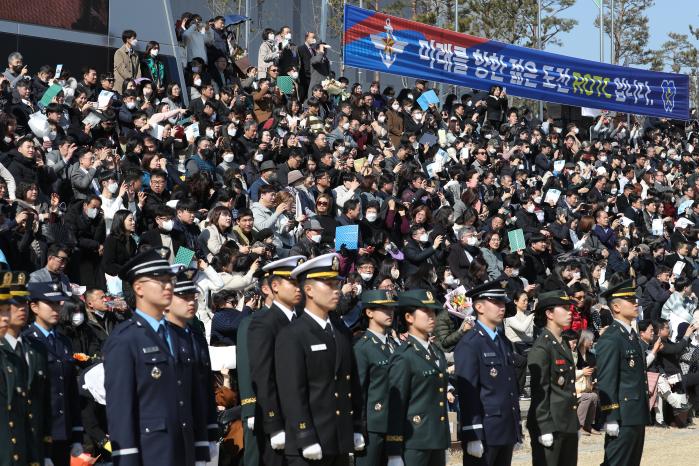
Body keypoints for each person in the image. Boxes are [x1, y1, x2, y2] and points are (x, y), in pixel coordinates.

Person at [103, 248, 210, 465]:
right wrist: (127, 459)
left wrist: (200, 446)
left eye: (169, 280)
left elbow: (192, 396)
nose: (168, 286)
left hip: (184, 449)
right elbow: (121, 408)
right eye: (160, 281)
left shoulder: (179, 335)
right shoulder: (125, 339)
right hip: (150, 452)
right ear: (139, 288)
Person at [275, 253, 364, 464]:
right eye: (329, 284)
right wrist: (305, 436)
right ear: (309, 290)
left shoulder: (340, 332)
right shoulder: (293, 334)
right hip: (308, 445)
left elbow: (351, 384)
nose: (336, 291)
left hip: (339, 440)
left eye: (337, 284)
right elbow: (292, 392)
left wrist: (357, 426)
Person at [247, 255, 307, 465]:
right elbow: (263, 375)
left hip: (304, 420)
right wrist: (274, 424)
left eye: (300, 281)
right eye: (292, 282)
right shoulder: (264, 322)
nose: (299, 287)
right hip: (279, 420)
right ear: (274, 286)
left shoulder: (302, 320)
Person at [455, 281, 522, 466]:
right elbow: (468, 392)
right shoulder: (471, 343)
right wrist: (472, 433)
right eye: (496, 303)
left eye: (503, 303)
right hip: (485, 430)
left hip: (504, 427)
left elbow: (509, 386)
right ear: (479, 307)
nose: (502, 307)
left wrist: (516, 427)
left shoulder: (503, 341)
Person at [385, 289, 450, 466]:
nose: (432, 317)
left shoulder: (436, 351)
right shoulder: (404, 356)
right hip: (414, 441)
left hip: (436, 438)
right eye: (426, 312)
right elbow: (396, 406)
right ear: (409, 317)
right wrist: (394, 450)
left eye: (433, 312)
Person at [23, 281, 84, 466]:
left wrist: (77, 434)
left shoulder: (63, 342)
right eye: (50, 304)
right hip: (39, 433)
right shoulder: (27, 341)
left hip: (62, 432)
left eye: (58, 303)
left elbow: (71, 390)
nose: (56, 308)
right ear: (34, 307)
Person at [165, 267, 219, 459]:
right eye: (184, 296)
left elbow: (205, 384)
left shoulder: (195, 334)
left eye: (193, 296)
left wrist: (211, 430)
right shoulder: (158, 335)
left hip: (196, 424)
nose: (192, 302)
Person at [596, 279, 650, 466]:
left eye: (635, 298)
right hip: (622, 416)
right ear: (616, 307)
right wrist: (611, 417)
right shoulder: (611, 338)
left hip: (635, 413)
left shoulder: (630, 335)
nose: (636, 303)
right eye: (630, 299)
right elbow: (607, 380)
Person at [526, 290, 579, 466]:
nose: (570, 311)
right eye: (563, 308)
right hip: (551, 424)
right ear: (549, 313)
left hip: (566, 421)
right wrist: (544, 427)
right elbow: (539, 391)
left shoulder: (562, 342)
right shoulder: (542, 347)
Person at [353, 289, 399, 465]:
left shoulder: (393, 345)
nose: (390, 312)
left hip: (394, 424)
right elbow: (359, 392)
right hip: (372, 427)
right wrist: (358, 428)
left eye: (392, 309)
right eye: (384, 309)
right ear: (369, 312)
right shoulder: (363, 348)